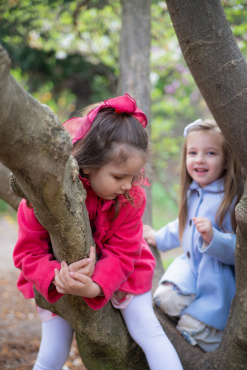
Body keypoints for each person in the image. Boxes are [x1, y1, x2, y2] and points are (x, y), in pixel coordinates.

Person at [13, 94, 183, 370]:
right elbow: (27, 253)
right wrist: (58, 278)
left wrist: (95, 286)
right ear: (89, 165)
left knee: (147, 331)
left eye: (134, 175)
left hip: (125, 274)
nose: (128, 185)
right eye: (119, 176)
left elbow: (124, 253)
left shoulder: (132, 199)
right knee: (53, 352)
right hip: (57, 282)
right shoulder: (45, 197)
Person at [143, 118, 243, 353]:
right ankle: (190, 310)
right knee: (164, 301)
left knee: (193, 328)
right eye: (193, 152)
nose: (199, 160)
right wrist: (159, 237)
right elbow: (183, 224)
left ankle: (211, 331)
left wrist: (214, 237)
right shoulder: (193, 191)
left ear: (227, 160)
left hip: (214, 276)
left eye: (210, 153)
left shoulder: (229, 200)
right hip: (189, 267)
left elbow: (240, 249)